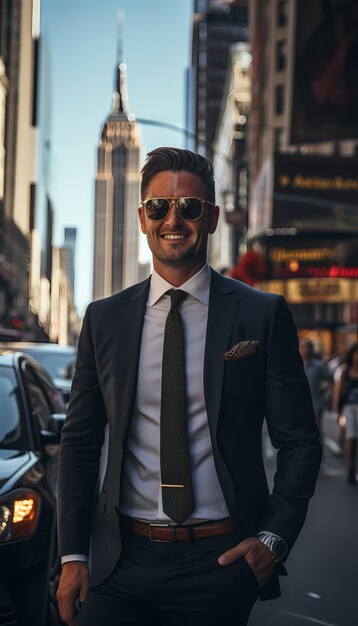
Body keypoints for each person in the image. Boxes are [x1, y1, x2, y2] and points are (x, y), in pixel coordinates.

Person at [56, 147, 322, 626]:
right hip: (120, 562)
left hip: (220, 565)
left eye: (189, 207)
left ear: (213, 217)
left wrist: (272, 541)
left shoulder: (261, 314)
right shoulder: (104, 319)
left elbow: (299, 442)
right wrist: (73, 554)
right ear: (142, 218)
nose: (172, 218)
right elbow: (79, 443)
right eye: (158, 207)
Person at [333, 342, 358, 484]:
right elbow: (338, 391)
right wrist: (337, 410)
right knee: (351, 437)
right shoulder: (344, 371)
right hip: (349, 408)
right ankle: (350, 467)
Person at [299, 338, 332, 436]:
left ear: (310, 349)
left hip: (315, 403)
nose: (302, 349)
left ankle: (319, 450)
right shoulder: (293, 365)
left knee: (316, 430)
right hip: (297, 404)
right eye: (300, 347)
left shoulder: (319, 365)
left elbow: (330, 380)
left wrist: (326, 390)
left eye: (305, 347)